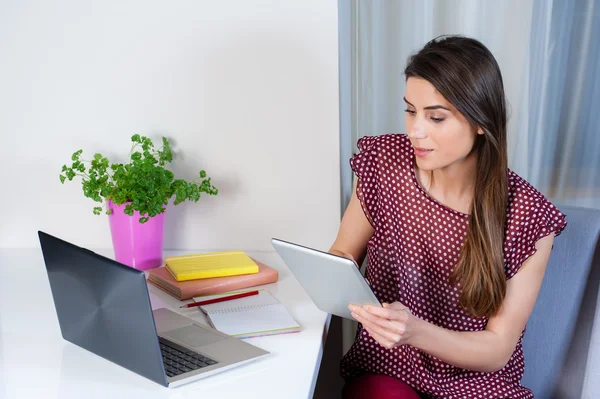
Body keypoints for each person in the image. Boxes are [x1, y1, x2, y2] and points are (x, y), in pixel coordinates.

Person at [329, 35, 567, 399]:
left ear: (480, 122)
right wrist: (335, 276)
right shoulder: (384, 162)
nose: (415, 131)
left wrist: (414, 330)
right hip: (390, 369)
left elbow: (497, 349)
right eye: (410, 110)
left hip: (478, 384)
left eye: (436, 117)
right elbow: (343, 253)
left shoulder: (526, 214)